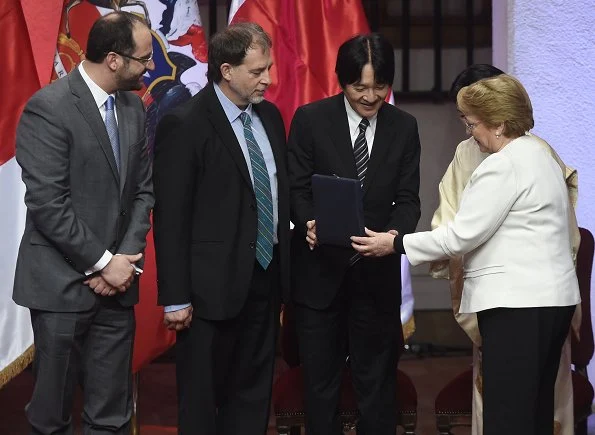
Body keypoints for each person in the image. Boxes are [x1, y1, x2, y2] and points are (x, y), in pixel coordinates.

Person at [390, 74, 580, 435]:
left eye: (472, 123)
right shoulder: (541, 154)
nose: (469, 133)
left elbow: (462, 235)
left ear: (500, 123)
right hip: (553, 303)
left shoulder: (501, 165)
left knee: (507, 418)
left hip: (517, 307)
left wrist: (397, 244)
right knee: (535, 413)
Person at [13, 11, 155, 434]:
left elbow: (143, 192)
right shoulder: (48, 108)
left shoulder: (133, 108)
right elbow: (48, 205)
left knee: (110, 418)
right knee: (51, 418)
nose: (150, 67)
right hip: (61, 289)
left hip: (117, 289)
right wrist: (101, 262)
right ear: (114, 59)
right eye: (144, 59)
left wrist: (121, 262)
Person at [152, 22, 289, 435]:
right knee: (202, 401)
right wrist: (175, 297)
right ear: (227, 71)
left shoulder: (270, 116)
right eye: (257, 70)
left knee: (252, 397)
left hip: (264, 282)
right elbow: (171, 216)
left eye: (268, 67)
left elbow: (275, 192)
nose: (268, 78)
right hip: (207, 294)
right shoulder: (186, 123)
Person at [288, 33, 421, 434]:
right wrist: (309, 222)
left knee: (376, 388)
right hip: (319, 277)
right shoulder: (311, 119)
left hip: (376, 278)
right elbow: (297, 188)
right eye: (359, 87)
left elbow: (408, 199)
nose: (369, 96)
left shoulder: (404, 126)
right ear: (340, 80)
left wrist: (392, 237)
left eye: (379, 87)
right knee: (320, 386)